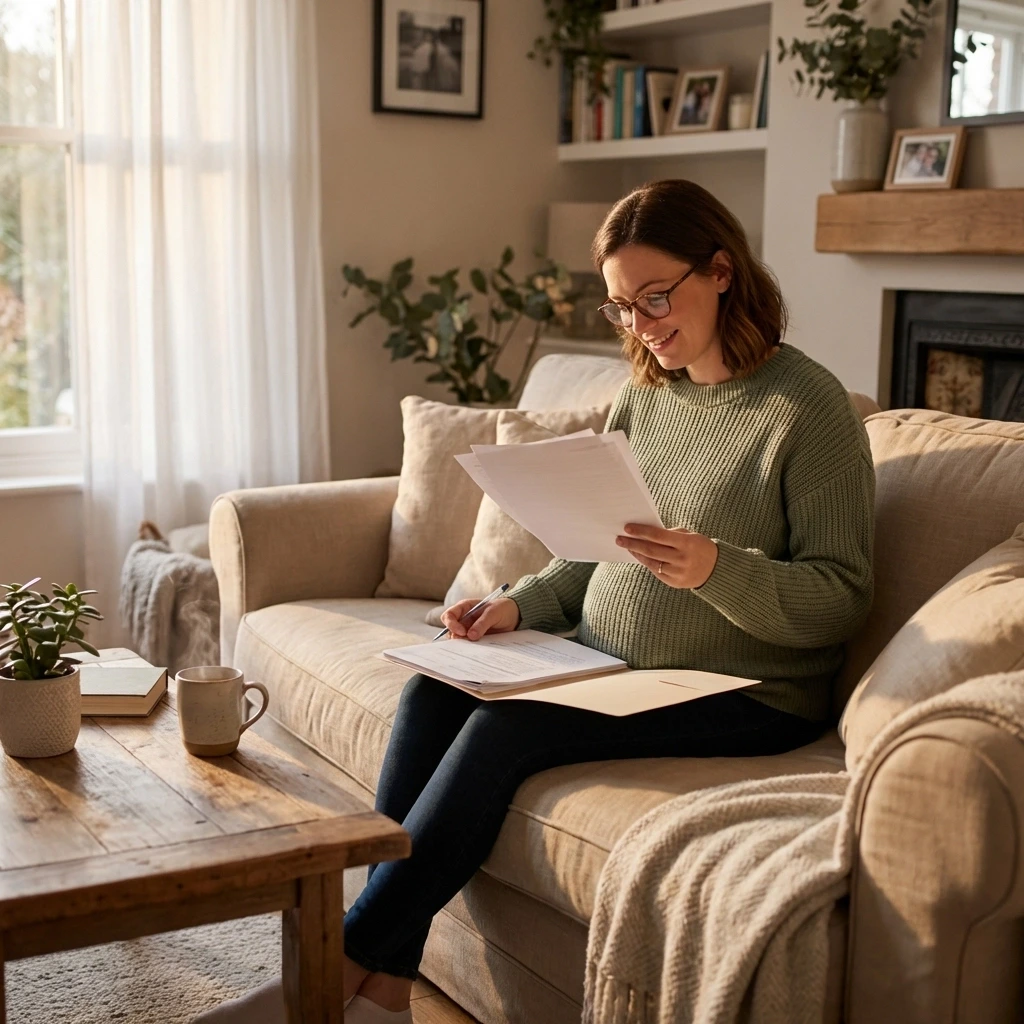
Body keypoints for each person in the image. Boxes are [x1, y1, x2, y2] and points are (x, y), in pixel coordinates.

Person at [194, 179, 875, 1024]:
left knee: (509, 725)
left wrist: (716, 571)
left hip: (745, 694)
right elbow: (591, 556)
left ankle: (326, 978)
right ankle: (388, 989)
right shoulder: (648, 395)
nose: (641, 325)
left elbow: (840, 598)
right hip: (612, 665)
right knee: (436, 683)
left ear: (723, 271)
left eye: (655, 297)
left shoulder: (810, 409)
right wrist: (517, 606)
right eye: (622, 307)